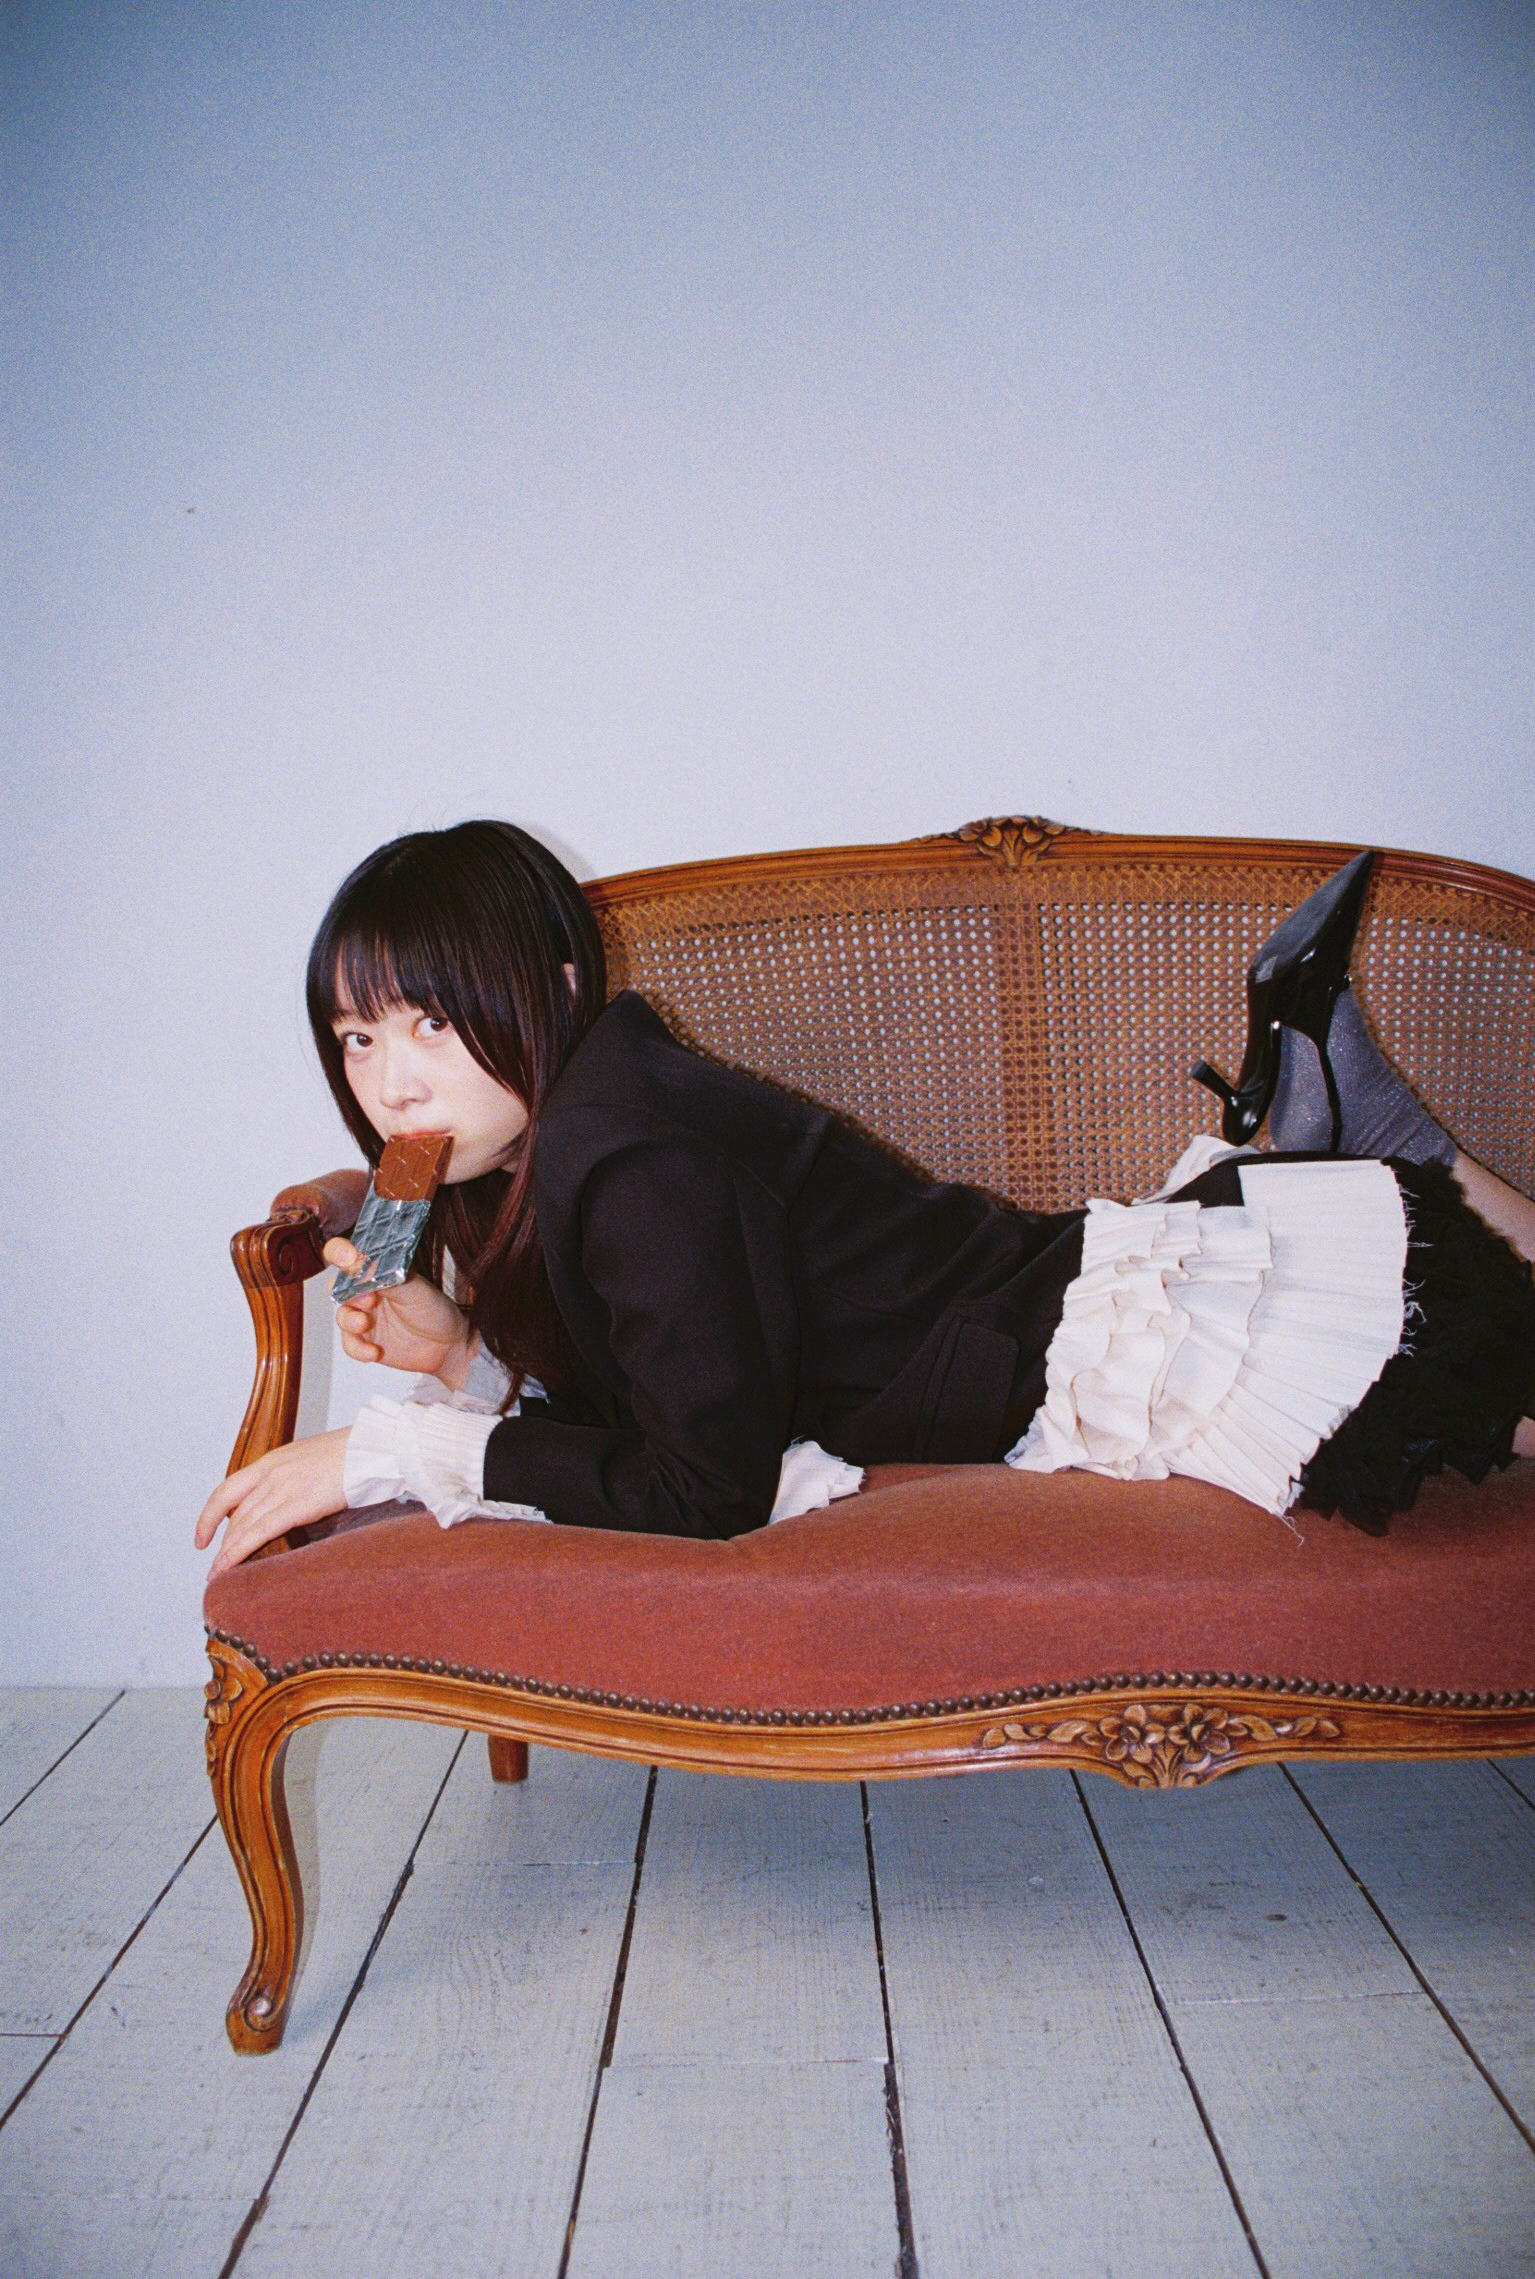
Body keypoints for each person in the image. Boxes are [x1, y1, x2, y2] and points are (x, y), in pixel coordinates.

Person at [196, 821, 1535, 1578]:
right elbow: (656, 1387)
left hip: (1080, 1343)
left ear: (549, 989)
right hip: (1037, 1293)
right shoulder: (548, 1133)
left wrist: (388, 1450)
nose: (390, 1083)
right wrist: (458, 1348)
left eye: (429, 1023)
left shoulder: (626, 1153)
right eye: (357, 1038)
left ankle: (1358, 1136)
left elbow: (703, 1486)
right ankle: (1343, 1131)